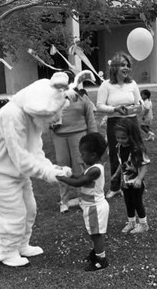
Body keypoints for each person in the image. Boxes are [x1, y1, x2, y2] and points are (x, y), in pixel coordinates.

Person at [0, 72, 86, 267]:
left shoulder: (32, 119)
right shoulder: (12, 115)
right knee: (13, 213)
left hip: (14, 172)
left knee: (30, 209)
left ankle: (21, 245)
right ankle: (8, 252)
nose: (55, 121)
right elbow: (22, 158)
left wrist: (53, 168)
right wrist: (50, 173)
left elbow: (35, 151)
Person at [56, 132, 110, 271]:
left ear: (92, 155)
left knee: (97, 234)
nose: (81, 157)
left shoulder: (95, 170)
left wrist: (62, 178)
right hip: (91, 206)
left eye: (83, 154)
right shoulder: (91, 169)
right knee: (93, 232)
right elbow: (79, 177)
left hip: (95, 207)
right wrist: (68, 173)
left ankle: (101, 259)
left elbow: (79, 182)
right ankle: (96, 252)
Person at [96, 52, 143, 199]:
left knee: (134, 153)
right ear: (114, 67)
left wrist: (137, 107)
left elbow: (140, 102)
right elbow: (99, 106)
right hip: (115, 123)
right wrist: (114, 109)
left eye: (127, 65)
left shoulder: (132, 84)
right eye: (122, 65)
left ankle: (132, 183)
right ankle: (115, 187)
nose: (126, 67)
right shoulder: (106, 85)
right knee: (116, 156)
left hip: (132, 122)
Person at [51, 71, 98, 213]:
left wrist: (93, 138)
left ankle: (82, 198)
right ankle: (64, 201)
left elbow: (90, 118)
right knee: (61, 167)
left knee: (80, 167)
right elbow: (47, 115)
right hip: (60, 136)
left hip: (79, 135)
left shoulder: (82, 96)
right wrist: (51, 124)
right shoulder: (54, 97)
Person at [112, 119, 149, 234]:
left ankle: (143, 224)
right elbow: (121, 163)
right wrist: (117, 174)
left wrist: (139, 179)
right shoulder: (119, 147)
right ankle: (131, 222)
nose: (120, 140)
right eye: (118, 137)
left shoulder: (137, 149)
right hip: (125, 182)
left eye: (123, 138)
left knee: (137, 202)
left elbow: (144, 165)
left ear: (131, 135)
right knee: (128, 203)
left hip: (136, 182)